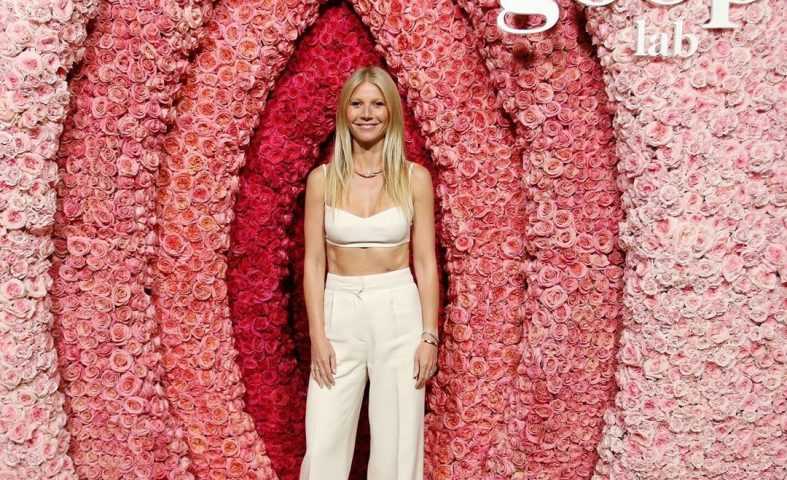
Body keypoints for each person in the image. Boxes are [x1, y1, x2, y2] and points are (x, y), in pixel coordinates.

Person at [299, 65, 440, 480]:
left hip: (398, 310)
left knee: (397, 443)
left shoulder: (414, 179)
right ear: (344, 112)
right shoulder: (322, 180)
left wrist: (429, 336)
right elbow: (314, 262)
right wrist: (318, 335)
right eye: (357, 104)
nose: (367, 113)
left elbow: (425, 262)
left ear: (391, 111)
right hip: (338, 309)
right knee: (323, 439)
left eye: (377, 104)